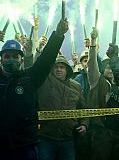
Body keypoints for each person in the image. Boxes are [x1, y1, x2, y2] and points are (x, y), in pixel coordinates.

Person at [0, 19, 68, 160]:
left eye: (15, 56)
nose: (11, 59)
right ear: (1, 60)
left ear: (21, 59)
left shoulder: (30, 78)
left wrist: (58, 35)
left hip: (25, 146)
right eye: (7, 56)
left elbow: (46, 59)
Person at [87, 28, 119, 160]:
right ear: (102, 69)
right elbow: (92, 64)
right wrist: (93, 43)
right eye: (107, 67)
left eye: (112, 67)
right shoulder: (97, 81)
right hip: (102, 133)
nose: (111, 70)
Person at [37, 55, 88, 160]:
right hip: (46, 137)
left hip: (68, 138)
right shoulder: (44, 82)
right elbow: (37, 67)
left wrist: (84, 124)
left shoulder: (76, 86)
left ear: (67, 70)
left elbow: (83, 109)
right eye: (56, 67)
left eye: (62, 67)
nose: (58, 69)